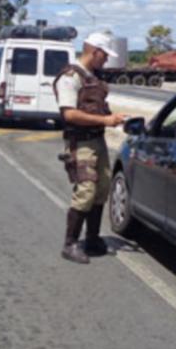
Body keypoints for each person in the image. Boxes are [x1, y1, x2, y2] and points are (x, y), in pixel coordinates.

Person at [53, 32, 127, 264]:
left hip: (98, 140)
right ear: (95, 52)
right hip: (81, 143)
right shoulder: (70, 77)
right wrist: (105, 120)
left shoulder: (93, 77)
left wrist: (113, 118)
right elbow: (69, 114)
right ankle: (70, 243)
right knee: (86, 191)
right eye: (105, 55)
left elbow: (96, 107)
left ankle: (92, 239)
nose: (107, 59)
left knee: (102, 188)